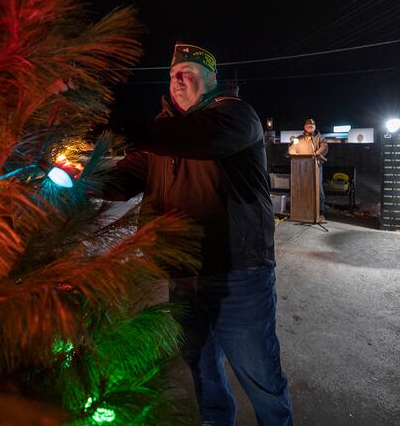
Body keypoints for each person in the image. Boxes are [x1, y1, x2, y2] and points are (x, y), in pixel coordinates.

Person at [103, 42, 294, 425]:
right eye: (173, 73)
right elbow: (122, 180)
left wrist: (117, 128)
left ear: (212, 80)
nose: (178, 79)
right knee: (202, 366)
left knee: (260, 375)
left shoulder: (236, 117)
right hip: (183, 274)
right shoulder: (164, 135)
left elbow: (199, 138)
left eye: (188, 72)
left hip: (238, 273)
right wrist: (74, 181)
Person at [288, 118, 329, 219]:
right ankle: (302, 211)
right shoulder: (299, 138)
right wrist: (293, 153)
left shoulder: (320, 138)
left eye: (312, 125)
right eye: (308, 125)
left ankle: (320, 212)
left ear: (315, 127)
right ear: (304, 127)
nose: (310, 127)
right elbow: (292, 148)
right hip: (300, 168)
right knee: (301, 188)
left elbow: (324, 148)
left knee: (318, 189)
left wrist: (316, 154)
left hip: (316, 166)